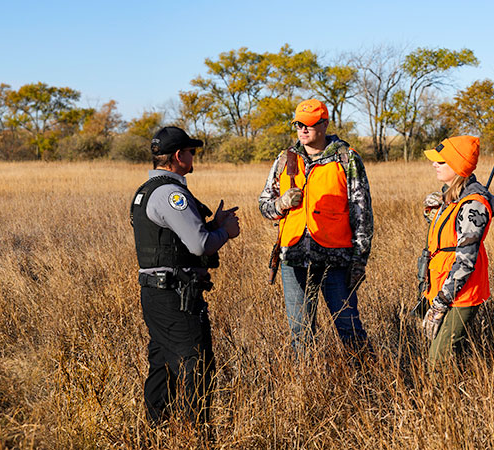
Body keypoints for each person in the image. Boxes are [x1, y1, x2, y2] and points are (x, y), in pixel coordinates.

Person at [130, 126, 240, 424]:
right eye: (191, 151)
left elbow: (174, 240)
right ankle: (197, 435)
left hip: (157, 294)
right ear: (178, 156)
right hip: (175, 297)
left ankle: (159, 430)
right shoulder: (170, 194)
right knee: (197, 366)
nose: (193, 156)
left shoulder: (146, 191)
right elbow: (200, 244)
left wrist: (213, 223)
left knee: (163, 364)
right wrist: (225, 232)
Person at [258, 99, 373, 355]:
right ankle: (304, 387)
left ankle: (368, 382)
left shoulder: (347, 159)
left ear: (324, 124)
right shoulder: (285, 159)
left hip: (336, 259)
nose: (303, 129)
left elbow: (362, 213)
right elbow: (264, 204)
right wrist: (280, 204)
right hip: (293, 259)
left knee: (348, 327)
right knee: (300, 332)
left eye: (309, 124)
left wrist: (359, 261)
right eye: (298, 124)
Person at [421, 135, 494, 364]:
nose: (434, 164)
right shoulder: (452, 198)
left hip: (460, 294)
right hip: (444, 286)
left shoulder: (472, 204)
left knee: (438, 360)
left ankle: (445, 399)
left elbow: (465, 261)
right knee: (449, 354)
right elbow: (447, 239)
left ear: (457, 166)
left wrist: (440, 304)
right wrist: (433, 214)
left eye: (441, 161)